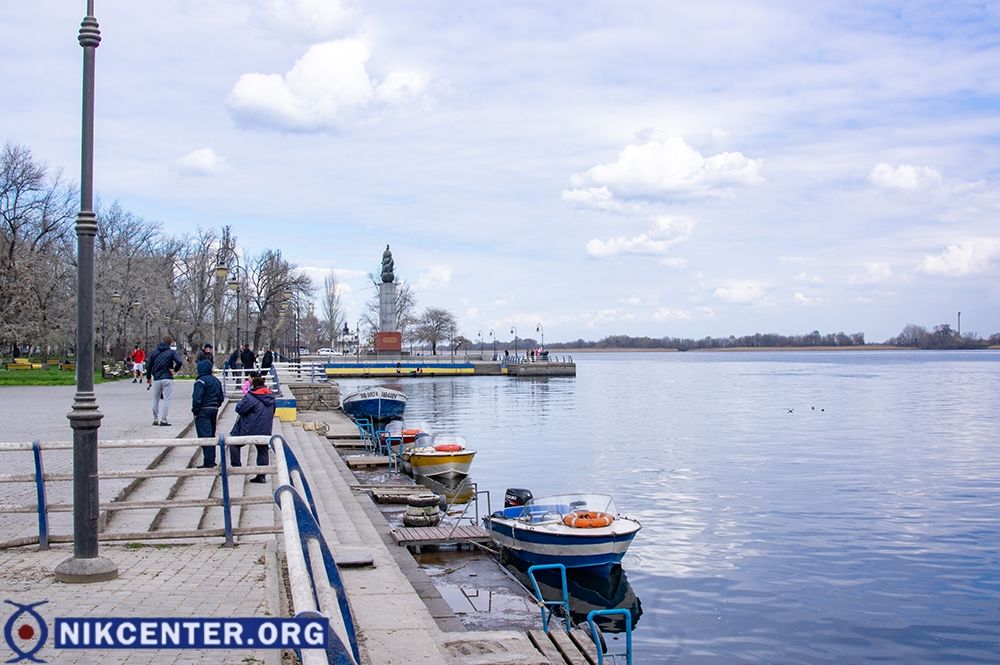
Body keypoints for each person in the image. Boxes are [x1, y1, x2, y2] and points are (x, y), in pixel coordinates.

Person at [230, 375, 275, 483]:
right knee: (263, 450)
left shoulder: (251, 396)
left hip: (249, 428)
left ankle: (237, 467)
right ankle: (261, 475)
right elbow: (273, 411)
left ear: (253, 385)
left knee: (234, 443)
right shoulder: (271, 397)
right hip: (265, 428)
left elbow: (240, 409)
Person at [191, 358, 223, 467]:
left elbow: (197, 398)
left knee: (205, 436)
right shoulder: (215, 380)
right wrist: (216, 405)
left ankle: (208, 462)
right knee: (211, 434)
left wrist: (195, 410)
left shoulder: (200, 381)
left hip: (203, 410)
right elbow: (221, 397)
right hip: (214, 410)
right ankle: (211, 459)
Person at [146, 335, 183, 426]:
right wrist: (174, 370)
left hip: (157, 378)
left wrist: (148, 378)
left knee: (155, 399)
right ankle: (164, 419)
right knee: (167, 399)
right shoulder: (171, 352)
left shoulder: (154, 353)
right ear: (170, 343)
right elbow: (179, 362)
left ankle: (155, 419)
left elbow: (149, 366)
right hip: (167, 377)